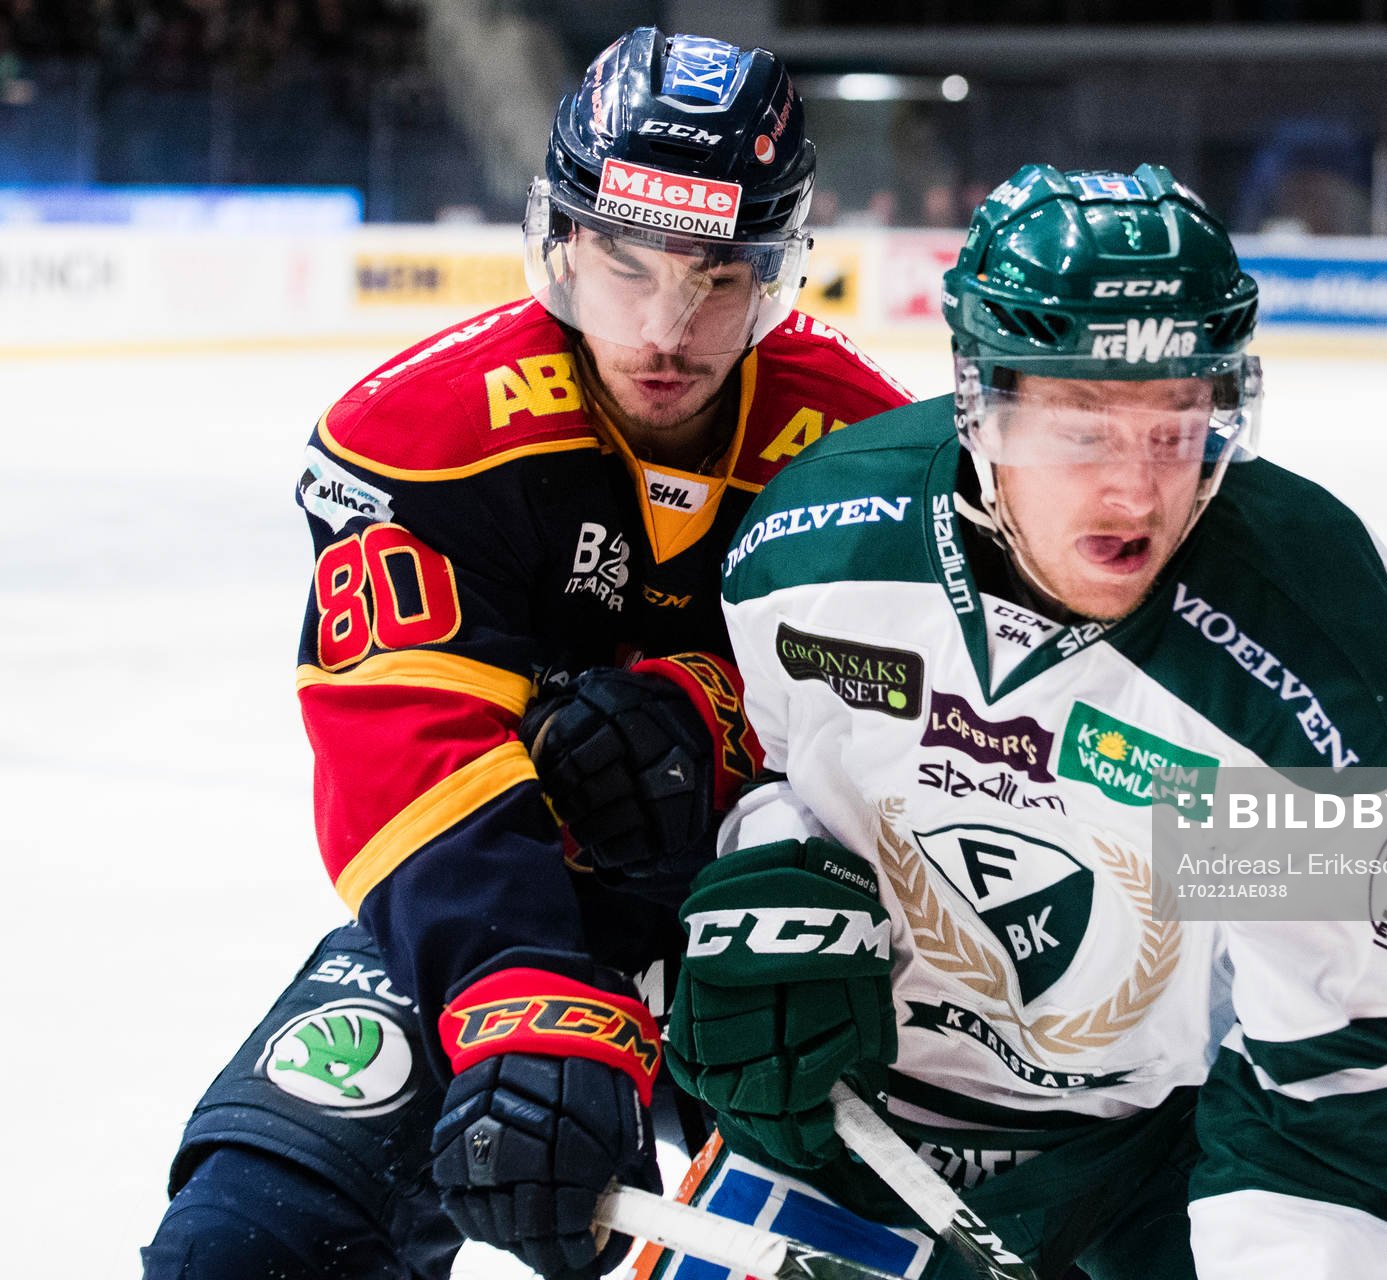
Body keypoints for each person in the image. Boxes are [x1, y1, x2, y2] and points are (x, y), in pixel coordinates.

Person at [629, 163, 1387, 1278]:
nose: (1138, 494)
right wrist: (773, 863)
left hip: (1182, 1137)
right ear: (980, 403)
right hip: (858, 1130)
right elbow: (778, 779)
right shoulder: (811, 557)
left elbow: (1324, 1084)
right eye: (1082, 429)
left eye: (1177, 425)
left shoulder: (1331, 675)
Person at [140, 26, 910, 1280]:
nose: (670, 328)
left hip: (780, 926)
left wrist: (708, 714)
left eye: (720, 277)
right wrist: (520, 982)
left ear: (778, 269)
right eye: (628, 265)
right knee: (245, 1246)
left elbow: (914, 720)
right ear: (559, 240)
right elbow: (406, 740)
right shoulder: (421, 431)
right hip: (498, 895)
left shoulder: (865, 449)